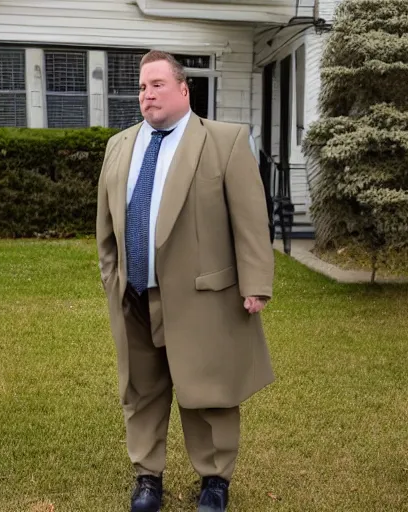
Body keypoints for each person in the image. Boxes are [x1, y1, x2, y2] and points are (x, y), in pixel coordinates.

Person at [96, 50, 274, 512]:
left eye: (156, 84)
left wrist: (254, 282)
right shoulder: (120, 146)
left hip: (202, 299)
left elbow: (251, 223)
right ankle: (147, 477)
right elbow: (106, 228)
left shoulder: (225, 142)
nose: (146, 94)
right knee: (141, 390)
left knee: (208, 391)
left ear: (182, 89)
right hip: (134, 296)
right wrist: (113, 279)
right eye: (141, 86)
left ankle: (214, 480)